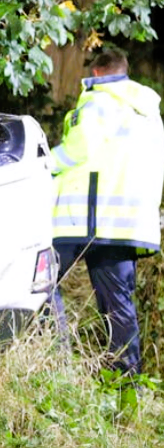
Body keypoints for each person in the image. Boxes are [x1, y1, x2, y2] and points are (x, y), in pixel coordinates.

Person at [51, 48, 164, 376]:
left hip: (85, 218)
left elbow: (79, 148)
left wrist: (44, 164)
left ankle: (57, 368)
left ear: (97, 72)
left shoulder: (99, 100)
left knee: (38, 282)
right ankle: (126, 385)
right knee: (119, 307)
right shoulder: (148, 112)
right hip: (127, 224)